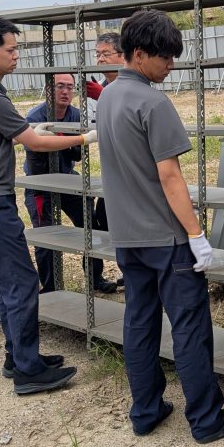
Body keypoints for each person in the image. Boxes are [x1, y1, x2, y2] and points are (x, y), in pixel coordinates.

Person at [96, 10, 224, 444]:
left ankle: (145, 410)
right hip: (166, 237)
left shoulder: (108, 97)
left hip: (127, 236)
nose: (171, 65)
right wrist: (197, 235)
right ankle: (207, 419)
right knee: (190, 329)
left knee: (140, 322)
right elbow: (170, 176)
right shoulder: (152, 102)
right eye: (165, 57)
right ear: (141, 54)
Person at [0, 15, 98, 396]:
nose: (16, 55)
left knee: (10, 280)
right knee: (21, 281)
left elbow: (19, 134)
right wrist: (84, 138)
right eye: (11, 49)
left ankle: (17, 355)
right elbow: (32, 143)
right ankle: (28, 371)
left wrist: (41, 131)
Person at [23, 72, 118, 294]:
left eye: (69, 87)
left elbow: (77, 154)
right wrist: (66, 141)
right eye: (59, 86)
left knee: (90, 225)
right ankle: (51, 288)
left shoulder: (76, 115)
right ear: (48, 89)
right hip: (41, 184)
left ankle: (95, 278)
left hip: (68, 176)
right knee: (45, 236)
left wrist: (62, 140)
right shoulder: (35, 116)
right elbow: (36, 155)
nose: (65, 91)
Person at [84, 32, 124, 288]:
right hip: (111, 169)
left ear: (122, 56)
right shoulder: (101, 85)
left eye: (105, 53)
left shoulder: (133, 84)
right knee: (105, 218)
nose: (99, 59)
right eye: (97, 54)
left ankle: (137, 274)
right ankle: (128, 269)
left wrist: (102, 97)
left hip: (132, 171)